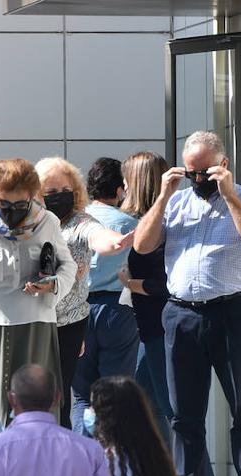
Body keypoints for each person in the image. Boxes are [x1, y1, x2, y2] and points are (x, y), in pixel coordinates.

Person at [133, 131, 241, 476]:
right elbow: (142, 244)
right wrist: (162, 196)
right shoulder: (175, 203)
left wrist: (229, 196)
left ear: (223, 165)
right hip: (182, 313)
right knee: (184, 411)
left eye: (205, 171)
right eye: (191, 171)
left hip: (232, 311)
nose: (197, 179)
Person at [116, 152, 222, 476]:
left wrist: (133, 285)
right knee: (147, 404)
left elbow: (168, 283)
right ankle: (165, 474)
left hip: (164, 325)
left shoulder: (163, 222)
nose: (124, 186)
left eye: (128, 178)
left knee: (177, 409)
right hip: (149, 329)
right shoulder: (148, 219)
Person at [0, 158, 78, 427]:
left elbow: (68, 266)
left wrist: (52, 284)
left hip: (35, 324)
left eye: (20, 205)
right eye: (4, 205)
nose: (12, 211)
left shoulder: (47, 221)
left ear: (32, 197)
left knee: (35, 407)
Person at [35, 156, 135, 429]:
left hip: (70, 323)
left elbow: (97, 235)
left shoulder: (80, 221)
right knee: (41, 399)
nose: (58, 198)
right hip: (33, 322)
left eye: (64, 191)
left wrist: (116, 243)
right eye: (50, 192)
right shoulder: (30, 224)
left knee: (65, 400)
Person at [74, 157, 142, 435]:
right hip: (117, 309)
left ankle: (80, 461)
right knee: (115, 392)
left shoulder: (76, 221)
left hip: (78, 309)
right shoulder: (128, 224)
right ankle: (112, 462)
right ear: (118, 190)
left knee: (79, 393)